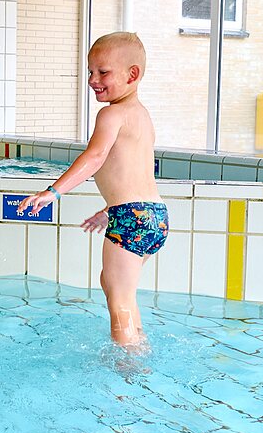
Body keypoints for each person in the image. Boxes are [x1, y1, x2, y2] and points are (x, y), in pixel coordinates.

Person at [17, 32, 167, 349]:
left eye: (102, 72)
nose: (92, 80)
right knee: (116, 287)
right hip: (154, 216)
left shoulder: (111, 114)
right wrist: (110, 211)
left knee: (119, 299)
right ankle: (138, 343)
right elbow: (135, 174)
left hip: (131, 216)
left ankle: (127, 368)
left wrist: (52, 192)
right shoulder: (142, 116)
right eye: (90, 71)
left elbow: (95, 157)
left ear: (133, 74)